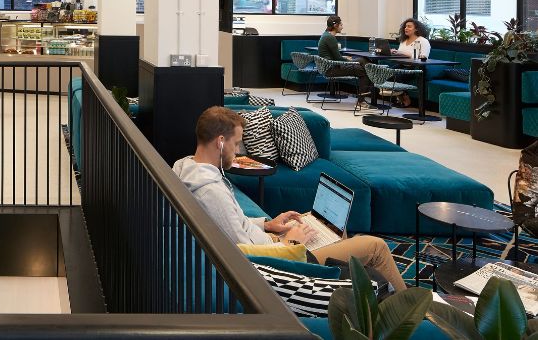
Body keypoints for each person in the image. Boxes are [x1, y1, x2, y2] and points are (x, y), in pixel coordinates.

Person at [173, 106, 406, 292]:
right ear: (220, 142)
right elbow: (244, 253)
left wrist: (267, 225)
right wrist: (290, 243)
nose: (238, 152)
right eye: (235, 144)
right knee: (377, 247)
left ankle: (352, 287)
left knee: (331, 230)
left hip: (272, 243)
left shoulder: (190, 167)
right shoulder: (209, 191)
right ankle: (413, 313)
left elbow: (233, 223)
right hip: (280, 260)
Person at [317, 15, 370, 95]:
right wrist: (350, 60)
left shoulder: (325, 35)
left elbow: (334, 56)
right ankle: (361, 102)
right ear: (335, 26)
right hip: (330, 69)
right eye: (341, 25)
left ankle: (374, 83)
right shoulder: (330, 38)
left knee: (363, 60)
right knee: (363, 69)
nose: (342, 27)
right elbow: (338, 58)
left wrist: (345, 58)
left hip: (329, 66)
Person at [393, 18, 431, 107]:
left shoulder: (422, 41)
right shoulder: (403, 41)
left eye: (409, 26)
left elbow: (421, 57)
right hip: (402, 65)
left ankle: (405, 99)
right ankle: (399, 97)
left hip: (416, 68)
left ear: (416, 29)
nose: (406, 28)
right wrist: (394, 52)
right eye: (405, 26)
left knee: (397, 75)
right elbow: (400, 54)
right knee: (387, 72)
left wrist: (400, 53)